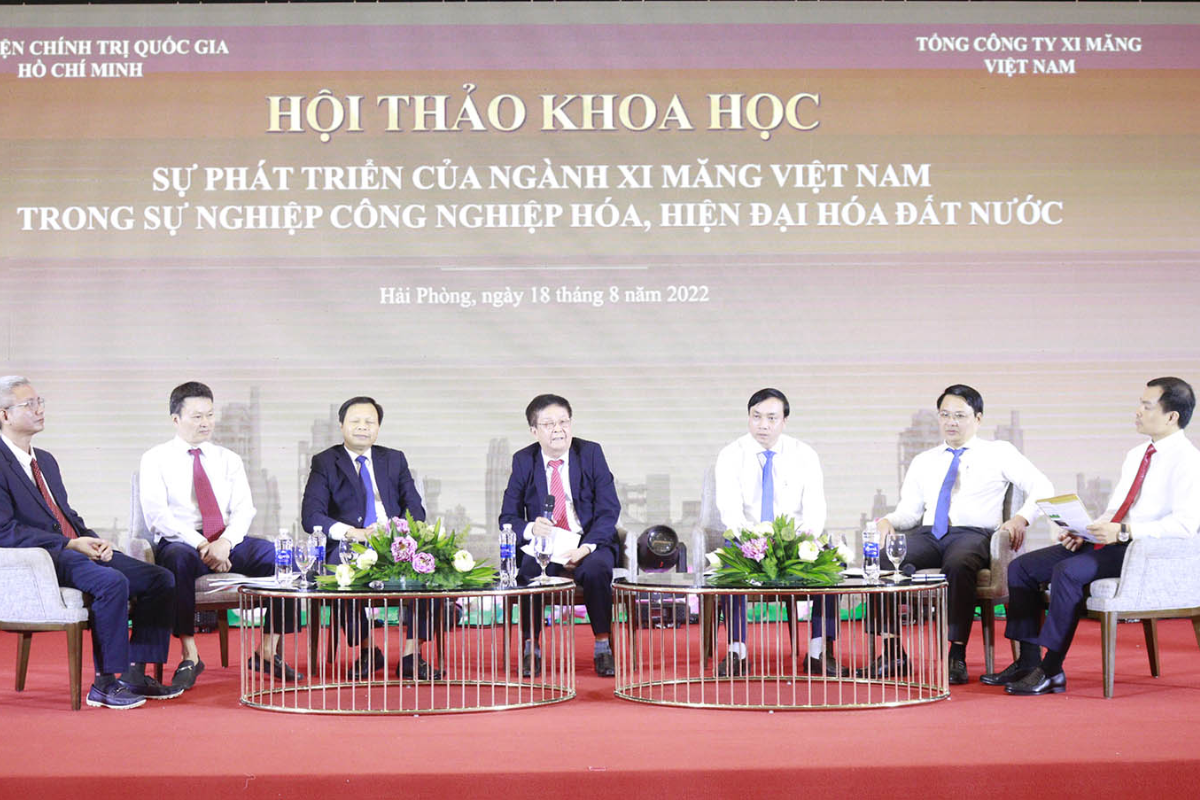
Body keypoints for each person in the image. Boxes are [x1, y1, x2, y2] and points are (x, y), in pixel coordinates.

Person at [983, 377, 1200, 695]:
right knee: (1022, 568)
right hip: (1112, 541)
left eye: (1146, 405)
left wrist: (1125, 531)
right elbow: (1116, 509)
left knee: (1067, 571)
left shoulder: (1189, 461)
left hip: (1143, 552)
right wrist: (1086, 531)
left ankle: (1051, 670)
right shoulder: (1137, 454)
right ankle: (1028, 662)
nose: (1138, 411)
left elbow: (1185, 525)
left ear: (1172, 416)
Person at [0, 376, 179, 708]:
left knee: (160, 579)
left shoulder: (45, 461)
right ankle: (104, 684)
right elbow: (5, 531)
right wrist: (69, 545)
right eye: (29, 404)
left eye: (40, 402)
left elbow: (65, 515)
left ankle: (135, 674)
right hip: (41, 558)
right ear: (4, 415)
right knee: (111, 582)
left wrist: (95, 541)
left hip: (74, 549)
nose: (39, 410)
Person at [870, 384, 1053, 685]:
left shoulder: (999, 452)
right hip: (929, 535)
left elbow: (1043, 487)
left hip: (972, 535)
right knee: (882, 560)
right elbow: (910, 512)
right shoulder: (924, 460)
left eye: (959, 415)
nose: (951, 422)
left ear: (978, 418)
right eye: (945, 415)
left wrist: (1021, 519)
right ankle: (892, 653)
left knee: (958, 564)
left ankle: (956, 654)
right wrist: (888, 520)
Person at [139, 381, 301, 690]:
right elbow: (158, 516)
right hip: (183, 542)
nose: (205, 423)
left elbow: (244, 509)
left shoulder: (228, 459)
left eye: (210, 415)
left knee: (285, 559)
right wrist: (203, 544)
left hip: (227, 540)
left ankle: (267, 650)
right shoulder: (155, 459)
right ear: (176, 419)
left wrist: (224, 543)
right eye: (197, 416)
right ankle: (190, 654)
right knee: (176, 561)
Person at [301, 395, 440, 680]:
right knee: (340, 572)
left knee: (432, 566)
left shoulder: (394, 459)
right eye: (355, 421)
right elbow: (311, 516)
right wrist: (354, 533)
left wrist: (398, 532)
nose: (363, 427)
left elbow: (415, 509)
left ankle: (412, 655)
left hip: (394, 542)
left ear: (378, 428)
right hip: (350, 543)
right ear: (341, 425)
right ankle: (368, 650)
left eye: (370, 422)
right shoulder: (325, 462)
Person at [714, 388, 842, 677]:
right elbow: (730, 512)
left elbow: (815, 509)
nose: (763, 425)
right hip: (747, 543)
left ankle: (819, 651)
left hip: (795, 542)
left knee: (832, 566)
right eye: (756, 417)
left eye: (771, 418)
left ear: (784, 421)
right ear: (748, 418)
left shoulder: (804, 454)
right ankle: (737, 651)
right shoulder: (731, 455)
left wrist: (800, 542)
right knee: (729, 566)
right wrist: (754, 543)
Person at [500, 395, 621, 678]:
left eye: (564, 422)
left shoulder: (591, 453)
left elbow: (609, 509)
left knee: (597, 570)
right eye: (549, 424)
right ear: (534, 431)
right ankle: (531, 647)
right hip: (546, 546)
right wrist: (532, 528)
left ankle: (603, 645)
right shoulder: (524, 461)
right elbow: (507, 517)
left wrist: (586, 547)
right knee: (529, 572)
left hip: (587, 542)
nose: (558, 429)